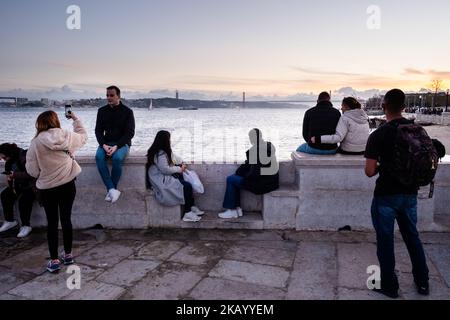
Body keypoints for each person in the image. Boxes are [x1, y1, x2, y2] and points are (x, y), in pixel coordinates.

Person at [364, 89, 443, 298]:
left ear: (383, 106)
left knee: (385, 240)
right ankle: (423, 282)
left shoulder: (379, 134)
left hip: (386, 196)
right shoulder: (418, 130)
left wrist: (383, 164)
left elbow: (369, 171)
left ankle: (389, 286)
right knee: (412, 237)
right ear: (404, 107)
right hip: (410, 194)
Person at [26, 110, 87, 273]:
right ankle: (68, 256)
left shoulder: (36, 142)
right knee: (66, 219)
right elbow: (83, 136)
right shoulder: (66, 135)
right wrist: (75, 119)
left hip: (48, 188)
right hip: (68, 185)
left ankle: (53, 261)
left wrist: (43, 173)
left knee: (52, 222)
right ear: (55, 121)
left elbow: (32, 170)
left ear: (40, 123)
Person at [219, 128, 279, 219]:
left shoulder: (255, 150)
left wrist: (244, 177)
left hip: (262, 184)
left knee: (231, 179)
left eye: (250, 137)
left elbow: (255, 172)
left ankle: (231, 210)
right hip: (272, 182)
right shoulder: (267, 146)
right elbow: (248, 165)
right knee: (235, 178)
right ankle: (237, 209)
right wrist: (240, 173)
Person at [146, 130, 204, 222]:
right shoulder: (160, 154)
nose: (170, 141)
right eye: (169, 139)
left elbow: (175, 159)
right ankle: (187, 212)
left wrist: (181, 165)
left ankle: (191, 206)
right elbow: (165, 170)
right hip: (160, 180)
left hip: (162, 177)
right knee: (187, 186)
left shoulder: (161, 151)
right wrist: (180, 169)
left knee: (184, 180)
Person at [95, 86, 135, 203]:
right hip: (106, 143)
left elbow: (130, 133)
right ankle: (112, 189)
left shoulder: (127, 112)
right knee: (98, 157)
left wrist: (117, 146)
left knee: (117, 158)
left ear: (118, 96)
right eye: (107, 95)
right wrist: (103, 145)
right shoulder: (101, 111)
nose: (109, 97)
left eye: (111, 95)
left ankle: (111, 190)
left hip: (122, 144)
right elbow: (98, 131)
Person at [0, 143, 36, 238]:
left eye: (3, 157)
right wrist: (11, 185)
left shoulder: (25, 156)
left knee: (24, 201)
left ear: (8, 153)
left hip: (32, 185)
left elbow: (32, 173)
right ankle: (10, 221)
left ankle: (26, 226)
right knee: (5, 194)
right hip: (20, 184)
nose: (2, 160)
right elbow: (10, 176)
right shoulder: (9, 161)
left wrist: (14, 175)